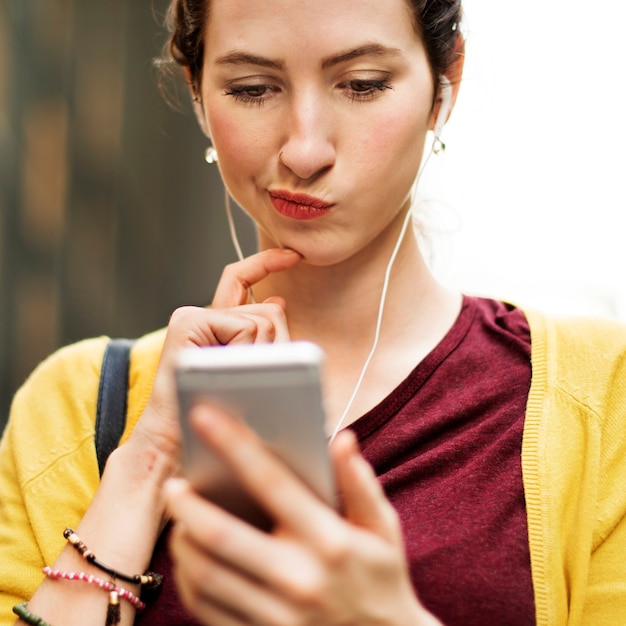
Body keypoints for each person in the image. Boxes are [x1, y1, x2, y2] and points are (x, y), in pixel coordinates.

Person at [1, 0, 625, 624]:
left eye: (362, 84)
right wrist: (146, 460)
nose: (304, 150)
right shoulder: (80, 407)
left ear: (446, 82)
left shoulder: (600, 401)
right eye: (251, 89)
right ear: (196, 94)